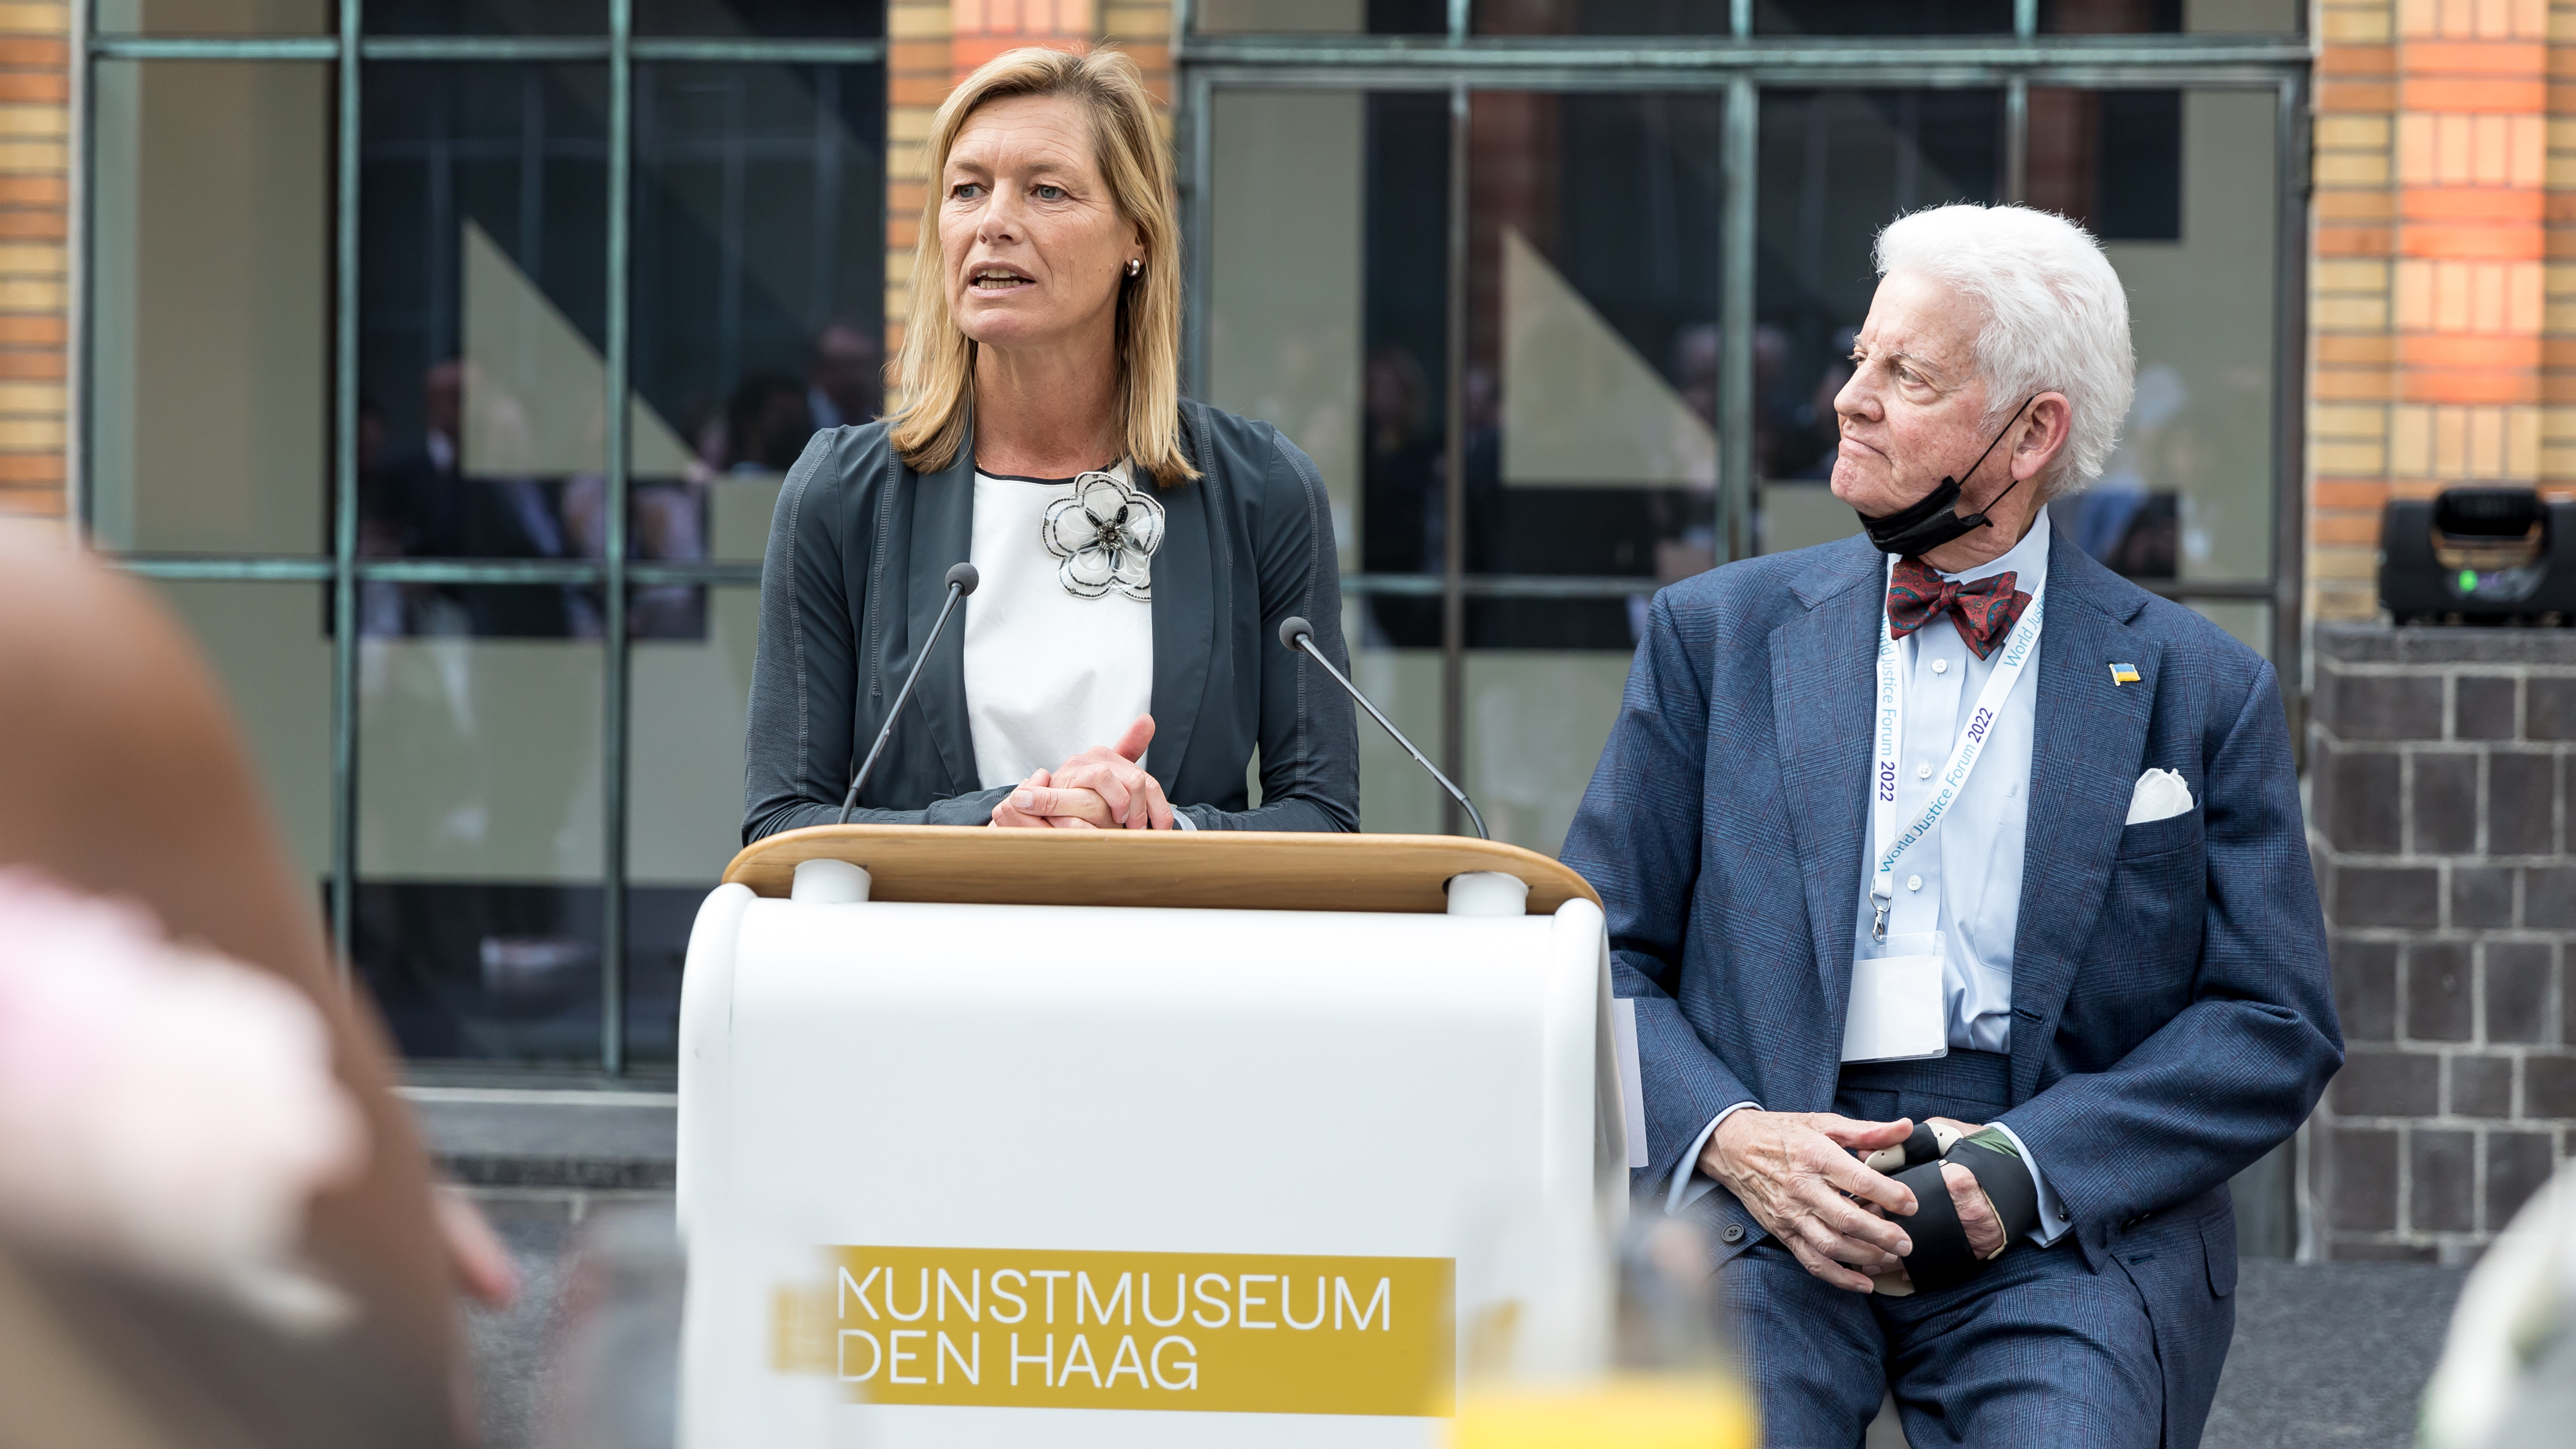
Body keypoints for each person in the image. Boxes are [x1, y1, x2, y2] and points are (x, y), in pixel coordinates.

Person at [1560, 204, 2341, 1447]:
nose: (1847, 399)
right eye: (1857, 359)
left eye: (1903, 374)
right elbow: (1593, 950)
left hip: (2055, 1213)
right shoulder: (1711, 638)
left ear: (2030, 432)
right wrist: (1738, 1139)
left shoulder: (2200, 684)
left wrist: (2021, 1170)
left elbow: (2273, 1022)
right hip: (1767, 1194)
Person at [743, 47, 1357, 837]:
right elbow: (781, 823)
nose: (994, 221)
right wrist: (987, 827)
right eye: (967, 189)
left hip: (1173, 953)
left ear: (1135, 235)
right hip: (930, 957)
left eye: (1046, 190)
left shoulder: (1261, 488)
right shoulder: (840, 493)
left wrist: (1169, 832)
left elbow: (1324, 815)